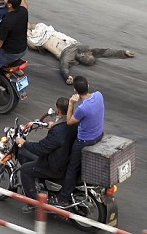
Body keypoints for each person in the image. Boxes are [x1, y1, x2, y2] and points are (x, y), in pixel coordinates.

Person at [16, 97, 78, 213]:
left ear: (58, 111)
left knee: (25, 169)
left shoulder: (57, 132)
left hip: (55, 166)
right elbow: (62, 126)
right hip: (67, 159)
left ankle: (33, 202)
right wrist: (48, 125)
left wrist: (24, 143)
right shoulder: (74, 122)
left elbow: (41, 149)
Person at [27, 22, 135, 85]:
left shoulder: (68, 56)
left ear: (81, 59)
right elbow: (104, 52)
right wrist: (123, 53)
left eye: (84, 57)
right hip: (53, 34)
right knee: (32, 25)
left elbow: (63, 67)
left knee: (25, 35)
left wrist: (67, 77)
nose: (85, 54)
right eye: (87, 54)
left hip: (41, 42)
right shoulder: (83, 48)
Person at [55, 76, 104, 206]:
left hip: (84, 141)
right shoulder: (99, 95)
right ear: (88, 86)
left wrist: (71, 103)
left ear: (75, 91)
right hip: (98, 135)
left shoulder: (82, 108)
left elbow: (69, 121)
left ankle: (63, 198)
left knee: (72, 167)